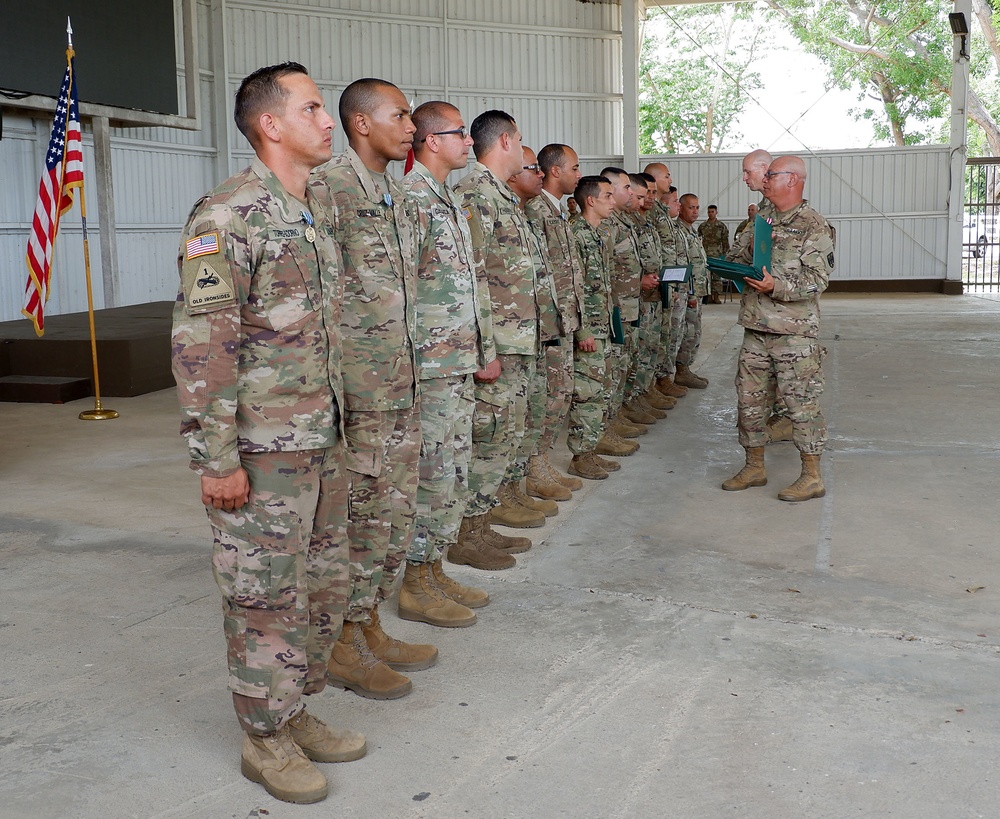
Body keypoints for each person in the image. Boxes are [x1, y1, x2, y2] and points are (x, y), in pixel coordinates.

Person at [171, 61, 364, 805]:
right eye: (313, 107)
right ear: (271, 124)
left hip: (319, 439)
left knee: (316, 586)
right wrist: (214, 458)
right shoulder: (227, 217)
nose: (328, 121)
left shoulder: (309, 209)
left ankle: (293, 707)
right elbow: (202, 348)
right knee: (262, 597)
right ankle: (263, 737)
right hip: (261, 450)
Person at [318, 78, 427, 701]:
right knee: (357, 516)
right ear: (361, 123)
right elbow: (323, 292)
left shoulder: (393, 191)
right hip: (359, 392)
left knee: (391, 513)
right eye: (400, 114)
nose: (409, 125)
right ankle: (338, 643)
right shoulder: (330, 188)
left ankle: (367, 624)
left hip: (400, 383)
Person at [399, 101, 495, 627]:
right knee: (432, 472)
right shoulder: (412, 200)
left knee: (453, 470)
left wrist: (482, 349)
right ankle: (414, 582)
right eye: (460, 133)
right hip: (430, 365)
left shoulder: (449, 199)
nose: (468, 142)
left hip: (456, 360)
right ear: (432, 140)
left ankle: (433, 568)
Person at [450, 109, 539, 570]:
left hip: (515, 341)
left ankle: (481, 525)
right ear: (505, 141)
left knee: (504, 437)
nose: (523, 147)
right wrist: (483, 349)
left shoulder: (501, 197)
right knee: (486, 438)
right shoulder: (473, 196)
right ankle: (466, 534)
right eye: (520, 139)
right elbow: (471, 277)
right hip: (496, 346)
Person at [721, 155, 834, 502]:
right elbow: (742, 258)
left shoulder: (814, 225)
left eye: (771, 174)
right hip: (756, 328)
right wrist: (727, 267)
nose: (764, 179)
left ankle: (812, 475)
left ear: (793, 180)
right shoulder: (764, 219)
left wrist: (776, 286)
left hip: (793, 333)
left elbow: (818, 280)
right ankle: (754, 466)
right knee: (749, 402)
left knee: (801, 405)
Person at [510, 146, 575, 507]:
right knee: (539, 403)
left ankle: (539, 464)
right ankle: (530, 473)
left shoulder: (545, 211)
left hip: (552, 321)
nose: (536, 173)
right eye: (530, 167)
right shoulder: (532, 211)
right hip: (528, 328)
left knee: (552, 398)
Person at [525, 142, 587, 496]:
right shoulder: (536, 211)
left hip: (563, 320)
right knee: (547, 398)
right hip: (547, 325)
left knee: (560, 394)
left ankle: (543, 461)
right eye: (575, 168)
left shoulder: (559, 212)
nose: (579, 174)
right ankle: (534, 467)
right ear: (556, 171)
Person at [728, 149, 793, 444]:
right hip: (757, 315)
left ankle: (783, 420)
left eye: (748, 172)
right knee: (752, 385)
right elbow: (742, 253)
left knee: (788, 381)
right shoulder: (764, 213)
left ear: (765, 169)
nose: (744, 178)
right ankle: (757, 448)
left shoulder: (789, 214)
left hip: (783, 318)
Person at [566, 175, 618, 480]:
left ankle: (590, 449)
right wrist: (582, 330)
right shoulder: (578, 234)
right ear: (591, 200)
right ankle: (580, 455)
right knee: (586, 394)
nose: (613, 201)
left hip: (602, 327)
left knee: (599, 392)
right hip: (589, 331)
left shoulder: (597, 234)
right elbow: (574, 287)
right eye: (607, 196)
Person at [673, 193, 710, 389]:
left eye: (697, 207)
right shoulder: (679, 232)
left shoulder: (692, 231)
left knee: (695, 331)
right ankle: (680, 370)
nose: (695, 211)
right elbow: (683, 265)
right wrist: (691, 294)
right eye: (691, 207)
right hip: (689, 292)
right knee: (688, 331)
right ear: (680, 208)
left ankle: (685, 367)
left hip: (698, 290)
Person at [698, 204, 730, 304]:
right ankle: (708, 297)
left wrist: (726, 255)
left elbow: (725, 241)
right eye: (709, 212)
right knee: (706, 276)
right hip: (705, 254)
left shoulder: (721, 226)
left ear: (716, 212)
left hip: (717, 254)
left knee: (717, 277)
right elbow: (698, 239)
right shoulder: (703, 226)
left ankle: (716, 296)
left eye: (712, 212)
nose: (711, 214)